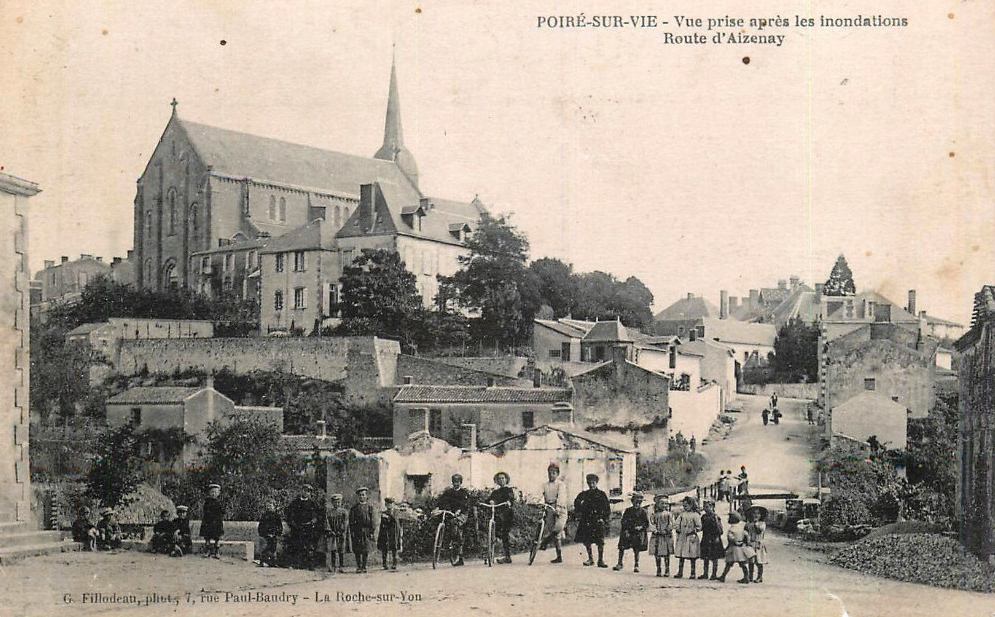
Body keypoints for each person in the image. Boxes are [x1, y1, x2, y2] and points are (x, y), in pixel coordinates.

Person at [574, 473, 611, 568]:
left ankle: (600, 560)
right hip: (587, 520)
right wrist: (579, 510)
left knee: (600, 541)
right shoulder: (584, 494)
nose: (591, 485)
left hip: (598, 520)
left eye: (593, 483)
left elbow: (607, 508)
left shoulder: (601, 494)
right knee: (587, 540)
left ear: (596, 483)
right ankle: (590, 558)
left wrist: (603, 518)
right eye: (589, 483)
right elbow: (577, 503)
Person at [285, 484, 324, 569]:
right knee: (296, 545)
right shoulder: (295, 503)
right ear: (301, 491)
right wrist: (293, 524)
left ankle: (308, 564)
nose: (306, 493)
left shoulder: (313, 503)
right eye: (304, 490)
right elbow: (289, 514)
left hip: (308, 528)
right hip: (297, 528)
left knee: (308, 546)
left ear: (310, 493)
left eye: (308, 491)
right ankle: (296, 564)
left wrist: (314, 521)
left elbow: (318, 515)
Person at [436, 473, 471, 566]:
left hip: (462, 514)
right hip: (451, 513)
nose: (456, 484)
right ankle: (448, 543)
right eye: (454, 482)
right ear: (452, 482)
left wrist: (459, 510)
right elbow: (442, 501)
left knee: (457, 526)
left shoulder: (464, 492)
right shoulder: (448, 492)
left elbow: (465, 503)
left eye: (458, 482)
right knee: (443, 521)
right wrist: (442, 508)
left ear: (461, 482)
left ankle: (459, 553)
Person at [613, 492, 649, 572]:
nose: (637, 504)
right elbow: (623, 521)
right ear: (632, 502)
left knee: (636, 549)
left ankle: (636, 564)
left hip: (637, 532)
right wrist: (626, 530)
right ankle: (619, 563)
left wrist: (641, 527)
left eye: (639, 503)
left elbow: (646, 523)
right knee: (622, 547)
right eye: (636, 502)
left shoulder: (643, 512)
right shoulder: (628, 511)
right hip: (628, 531)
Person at [717, 511, 755, 584]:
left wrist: (727, 547)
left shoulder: (731, 529)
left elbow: (731, 539)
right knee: (742, 564)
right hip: (741, 547)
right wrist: (746, 542)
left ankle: (723, 576)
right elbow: (746, 535)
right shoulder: (741, 528)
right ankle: (746, 577)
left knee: (729, 563)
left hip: (733, 548)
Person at [540, 463, 567, 564]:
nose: (551, 475)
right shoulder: (545, 485)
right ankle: (559, 556)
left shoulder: (561, 484)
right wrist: (538, 502)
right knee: (555, 534)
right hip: (549, 508)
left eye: (553, 473)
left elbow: (561, 496)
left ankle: (546, 541)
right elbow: (540, 494)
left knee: (557, 528)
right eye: (549, 472)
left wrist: (558, 508)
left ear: (557, 474)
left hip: (560, 509)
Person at [487, 472, 516, 564]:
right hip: (497, 513)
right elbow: (489, 499)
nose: (501, 480)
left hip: (507, 514)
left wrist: (509, 502)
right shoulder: (495, 492)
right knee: (494, 531)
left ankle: (507, 556)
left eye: (503, 478)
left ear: (506, 480)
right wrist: (491, 501)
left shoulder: (508, 490)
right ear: (497, 481)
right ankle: (492, 551)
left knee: (504, 534)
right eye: (499, 479)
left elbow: (511, 498)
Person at [673, 496, 701, 578]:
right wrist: (677, 528)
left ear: (691, 505)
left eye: (686, 506)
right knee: (681, 555)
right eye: (683, 506)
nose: (684, 507)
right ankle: (680, 572)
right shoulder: (682, 515)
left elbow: (699, 526)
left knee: (692, 555)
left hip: (691, 537)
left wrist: (693, 530)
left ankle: (693, 573)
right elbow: (676, 523)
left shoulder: (695, 515)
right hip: (683, 537)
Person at [349, 487, 375, 573]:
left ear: (366, 496)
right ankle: (358, 566)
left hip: (366, 531)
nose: (362, 497)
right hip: (357, 531)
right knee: (357, 549)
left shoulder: (370, 507)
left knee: (365, 549)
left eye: (363, 495)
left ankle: (364, 566)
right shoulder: (354, 508)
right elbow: (351, 521)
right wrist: (352, 531)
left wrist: (372, 531)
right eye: (360, 495)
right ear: (358, 497)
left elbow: (372, 520)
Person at [649, 495, 674, 577]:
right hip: (657, 536)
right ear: (657, 504)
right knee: (657, 553)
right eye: (662, 503)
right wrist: (655, 530)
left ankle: (667, 569)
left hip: (665, 536)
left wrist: (668, 529)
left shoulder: (669, 514)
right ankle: (658, 568)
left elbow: (671, 523)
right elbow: (651, 523)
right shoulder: (654, 514)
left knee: (666, 553)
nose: (664, 505)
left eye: (666, 504)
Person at [698, 499, 724, 580]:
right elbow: (701, 527)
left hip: (714, 539)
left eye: (707, 507)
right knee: (705, 557)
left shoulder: (715, 517)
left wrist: (717, 536)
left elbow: (720, 530)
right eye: (704, 507)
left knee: (714, 558)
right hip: (706, 538)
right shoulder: (703, 517)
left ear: (712, 507)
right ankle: (705, 573)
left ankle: (714, 574)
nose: (705, 509)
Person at [325, 493, 349, 572]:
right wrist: (330, 530)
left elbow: (345, 522)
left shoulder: (344, 512)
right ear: (332, 503)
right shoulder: (329, 512)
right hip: (332, 534)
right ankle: (333, 565)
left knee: (341, 550)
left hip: (340, 534)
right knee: (333, 550)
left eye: (339, 502)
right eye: (335, 502)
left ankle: (341, 566)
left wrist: (341, 530)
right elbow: (327, 522)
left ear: (341, 502)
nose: (337, 504)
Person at [377, 497, 403, 571]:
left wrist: (390, 516)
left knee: (394, 548)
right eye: (388, 504)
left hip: (394, 532)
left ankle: (394, 564)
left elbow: (395, 521)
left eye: (391, 504)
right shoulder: (384, 513)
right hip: (386, 532)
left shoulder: (396, 512)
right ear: (385, 504)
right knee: (385, 548)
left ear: (393, 504)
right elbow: (383, 523)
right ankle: (384, 564)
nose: (389, 505)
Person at [746, 505, 769, 583]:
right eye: (754, 513)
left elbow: (759, 531)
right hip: (751, 543)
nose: (756, 515)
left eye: (758, 513)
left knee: (759, 561)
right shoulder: (749, 523)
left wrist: (756, 523)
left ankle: (759, 577)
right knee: (751, 561)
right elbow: (747, 532)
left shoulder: (762, 524)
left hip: (758, 543)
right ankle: (750, 576)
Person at [201, 483, 224, 559]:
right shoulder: (207, 502)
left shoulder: (219, 502)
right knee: (207, 537)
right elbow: (205, 512)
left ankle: (217, 552)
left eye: (215, 492)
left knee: (217, 537)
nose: (213, 494)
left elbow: (222, 512)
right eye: (212, 492)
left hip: (217, 522)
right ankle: (207, 551)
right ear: (209, 493)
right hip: (208, 522)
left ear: (218, 493)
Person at [257, 500, 283, 567]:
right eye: (268, 506)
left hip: (274, 534)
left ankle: (272, 562)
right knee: (265, 548)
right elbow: (261, 526)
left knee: (273, 548)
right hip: (266, 535)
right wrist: (265, 534)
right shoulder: (264, 516)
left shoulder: (277, 516)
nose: (269, 507)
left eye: (270, 506)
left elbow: (279, 526)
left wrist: (276, 533)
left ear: (274, 507)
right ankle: (262, 561)